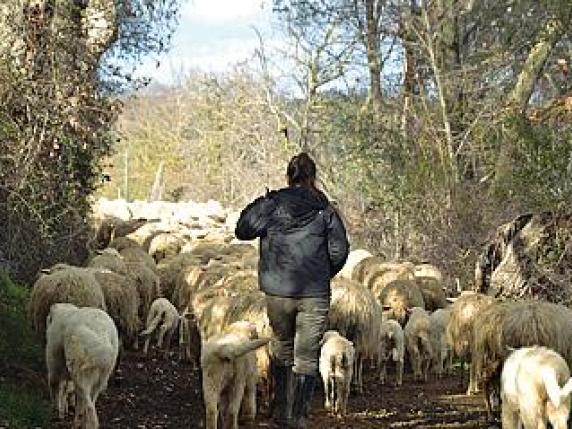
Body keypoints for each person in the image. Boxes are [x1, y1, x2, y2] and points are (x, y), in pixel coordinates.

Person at [235, 152, 350, 428]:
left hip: (278, 292)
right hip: (314, 294)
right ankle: (299, 417)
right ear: (313, 177)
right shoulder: (325, 210)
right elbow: (340, 250)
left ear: (289, 176)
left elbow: (242, 229)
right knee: (307, 356)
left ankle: (281, 415)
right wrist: (322, 274)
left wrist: (262, 202)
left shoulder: (273, 205)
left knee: (282, 349)